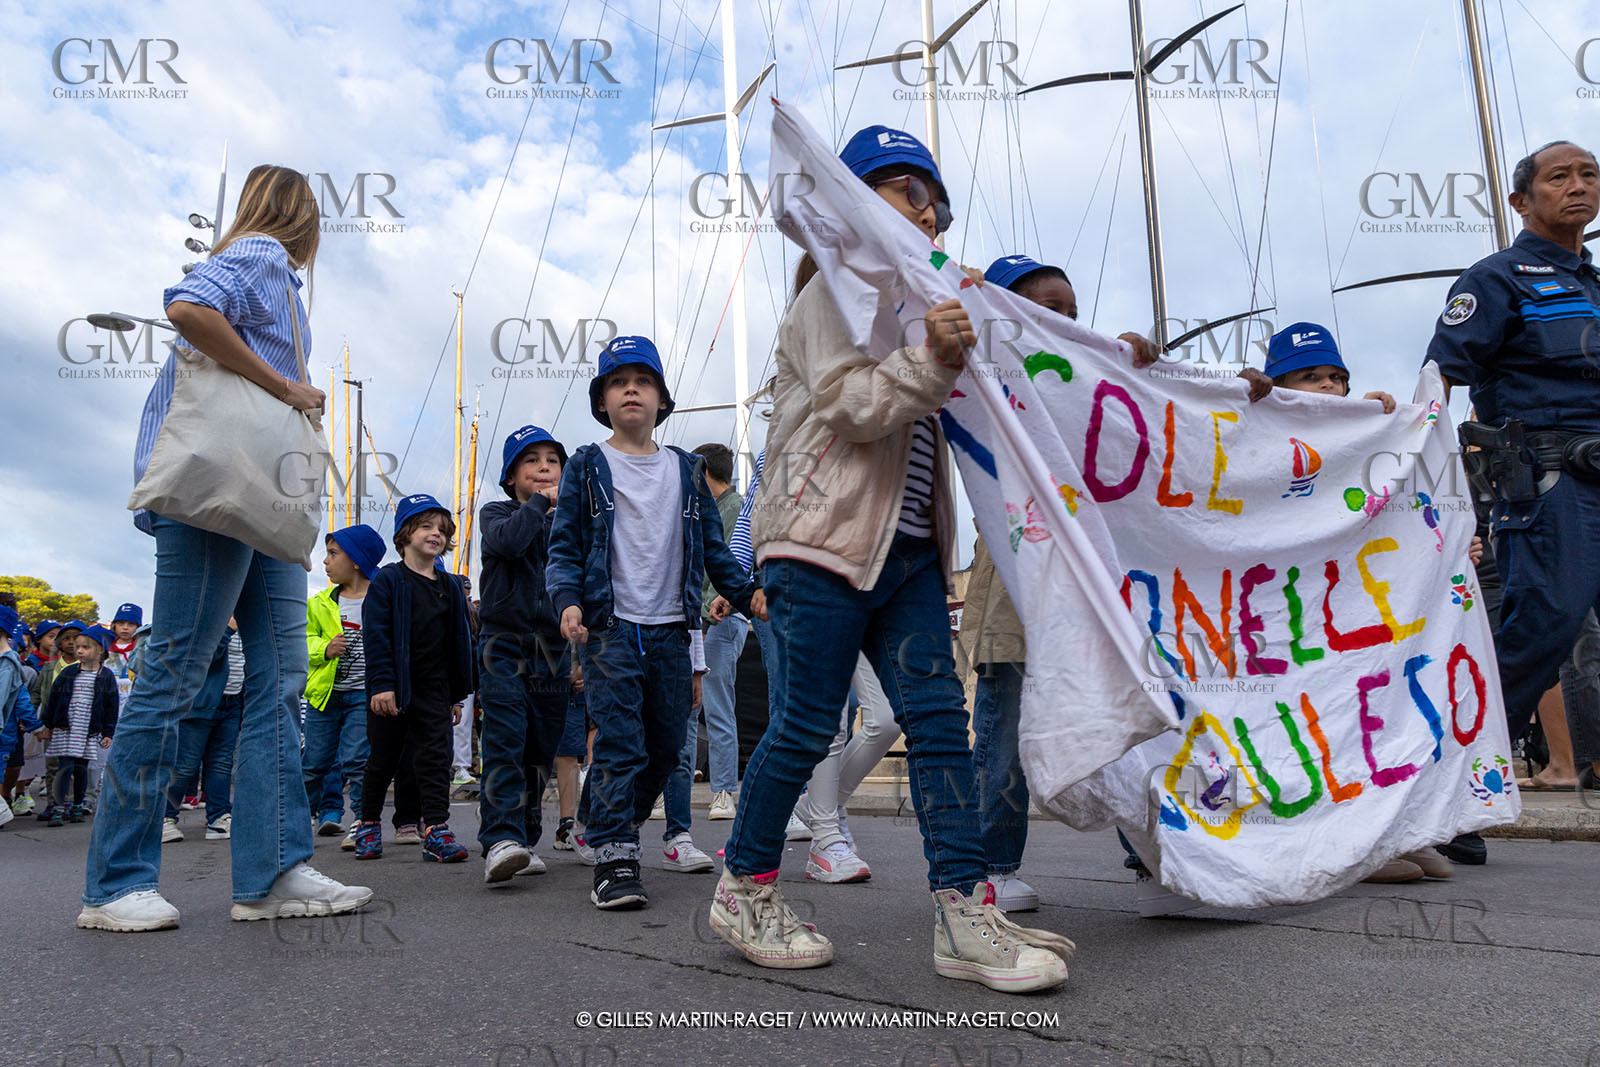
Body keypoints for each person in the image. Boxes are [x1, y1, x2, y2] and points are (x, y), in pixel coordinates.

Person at [708, 125, 1077, 991]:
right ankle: (744, 889)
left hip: (909, 552)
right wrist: (935, 353)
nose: (926, 210)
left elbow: (1031, 383)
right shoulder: (830, 298)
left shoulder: (927, 305)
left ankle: (963, 909)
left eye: (934, 200)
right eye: (903, 190)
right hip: (818, 543)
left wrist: (1104, 361)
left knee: (942, 725)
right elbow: (852, 406)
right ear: (851, 205)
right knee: (806, 721)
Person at [80, 164, 370, 932]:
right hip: (227, 488)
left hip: (255, 498)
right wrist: (286, 386)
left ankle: (272, 869)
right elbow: (187, 306)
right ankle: (115, 882)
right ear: (302, 218)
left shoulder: (275, 276)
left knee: (275, 680)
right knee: (178, 671)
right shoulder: (263, 255)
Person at [1423, 139, 1600, 865]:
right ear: (1522, 200)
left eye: (1589, 174)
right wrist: (1415, 480)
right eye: (1560, 177)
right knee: (1543, 628)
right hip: (1551, 482)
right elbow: (1441, 376)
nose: (1578, 185)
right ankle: (1448, 791)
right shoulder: (1495, 278)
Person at [546, 335, 760, 910]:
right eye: (618, 382)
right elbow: (563, 547)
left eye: (643, 381)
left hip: (674, 631)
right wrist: (567, 601)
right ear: (602, 401)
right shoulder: (587, 465)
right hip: (609, 629)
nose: (631, 390)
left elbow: (715, 552)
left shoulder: (688, 470)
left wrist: (750, 595)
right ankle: (616, 857)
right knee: (620, 744)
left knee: (666, 750)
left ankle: (600, 818)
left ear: (662, 399)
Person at [353, 494, 475, 863]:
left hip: (435, 690)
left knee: (436, 760)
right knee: (383, 760)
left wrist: (457, 694)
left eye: (442, 530)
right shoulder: (388, 580)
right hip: (393, 688)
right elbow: (377, 636)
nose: (436, 534)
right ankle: (367, 823)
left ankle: (436, 828)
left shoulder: (450, 585)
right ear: (405, 533)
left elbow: (460, 641)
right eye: (426, 526)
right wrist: (382, 685)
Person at [476, 425, 572, 883]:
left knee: (540, 746)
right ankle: (500, 837)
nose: (544, 468)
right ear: (511, 476)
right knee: (505, 738)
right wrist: (538, 504)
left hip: (553, 649)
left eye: (553, 461)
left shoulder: (569, 524)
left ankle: (525, 838)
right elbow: (509, 542)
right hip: (503, 643)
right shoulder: (496, 513)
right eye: (531, 460)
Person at [304, 523, 386, 844]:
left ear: (356, 561)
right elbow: (303, 640)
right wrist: (324, 648)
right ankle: (301, 818)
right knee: (314, 762)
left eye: (333, 553)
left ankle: (363, 821)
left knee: (356, 760)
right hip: (324, 696)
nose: (325, 561)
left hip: (363, 695)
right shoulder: (319, 602)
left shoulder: (382, 599)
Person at [688, 443, 747, 821]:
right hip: (707, 620)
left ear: (705, 473)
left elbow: (728, 568)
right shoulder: (723, 508)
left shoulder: (731, 509)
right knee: (692, 709)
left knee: (715, 706)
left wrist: (706, 620)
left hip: (718, 620)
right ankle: (677, 788)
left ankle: (724, 790)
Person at [161, 621, 244, 842]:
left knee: (221, 763)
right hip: (200, 701)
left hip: (232, 702)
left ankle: (218, 817)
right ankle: (164, 818)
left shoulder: (250, 620)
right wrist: (227, 629)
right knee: (186, 765)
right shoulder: (214, 616)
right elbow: (201, 657)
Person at [42, 626, 119, 826]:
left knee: (81, 769)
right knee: (65, 767)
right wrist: (48, 724)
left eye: (86, 647)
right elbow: (53, 700)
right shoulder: (68, 672)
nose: (79, 651)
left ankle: (78, 805)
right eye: (78, 647)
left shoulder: (106, 676)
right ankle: (58, 807)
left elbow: (111, 706)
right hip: (66, 730)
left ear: (100, 650)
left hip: (87, 731)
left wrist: (108, 732)